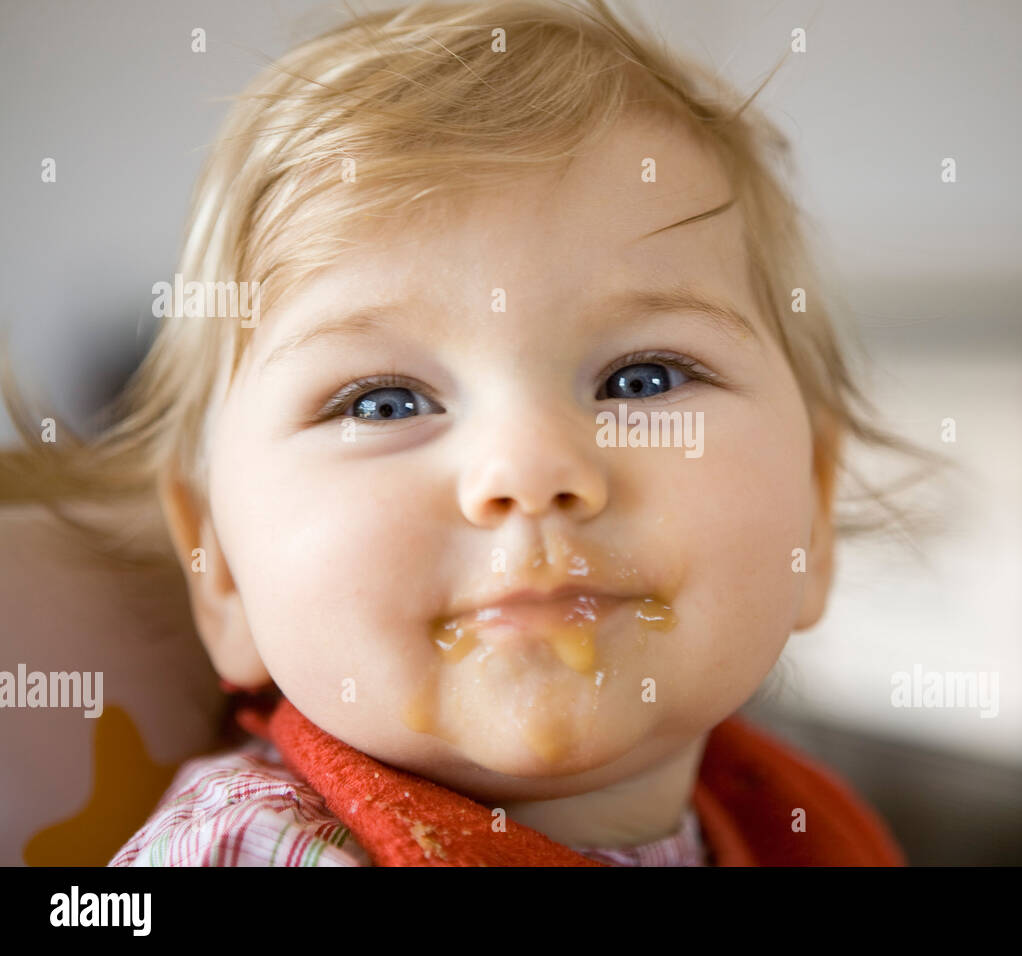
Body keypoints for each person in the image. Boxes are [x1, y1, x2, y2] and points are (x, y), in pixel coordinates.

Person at [3, 0, 923, 866]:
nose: (531, 470)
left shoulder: (797, 826)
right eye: (385, 403)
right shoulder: (253, 848)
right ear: (223, 569)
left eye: (641, 381)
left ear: (814, 511)